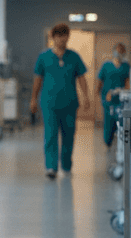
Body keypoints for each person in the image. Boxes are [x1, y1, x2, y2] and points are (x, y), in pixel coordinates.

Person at [29, 23, 89, 179]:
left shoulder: (74, 57)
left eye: (65, 36)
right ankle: (51, 167)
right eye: (60, 36)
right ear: (53, 37)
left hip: (69, 102)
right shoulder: (44, 57)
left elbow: (81, 78)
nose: (63, 39)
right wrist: (33, 99)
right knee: (50, 135)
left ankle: (67, 165)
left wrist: (86, 96)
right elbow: (37, 79)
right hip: (49, 103)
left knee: (69, 135)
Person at [96, 42, 131, 148]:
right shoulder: (106, 65)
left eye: (121, 51)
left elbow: (128, 83)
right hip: (108, 99)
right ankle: (108, 142)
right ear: (113, 51)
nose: (119, 53)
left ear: (124, 53)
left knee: (120, 122)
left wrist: (126, 92)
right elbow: (99, 81)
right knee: (108, 122)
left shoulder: (126, 66)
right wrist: (98, 95)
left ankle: (120, 145)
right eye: (117, 50)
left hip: (120, 99)